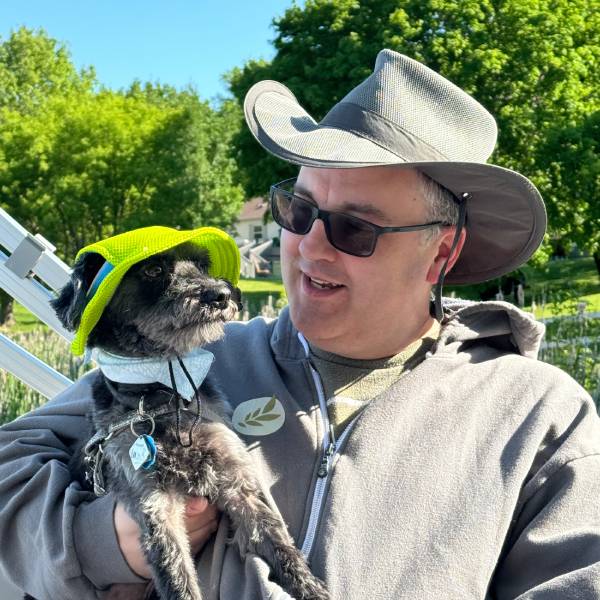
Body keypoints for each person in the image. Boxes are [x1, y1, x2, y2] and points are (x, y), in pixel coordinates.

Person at [1, 49, 599, 600]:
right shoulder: (187, 360)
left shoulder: (536, 413)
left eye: (354, 228)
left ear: (441, 254)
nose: (310, 246)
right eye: (300, 209)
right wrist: (109, 541)